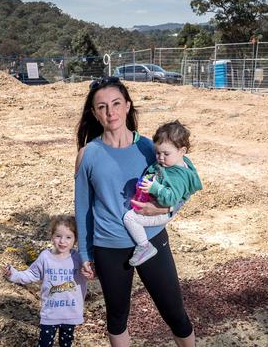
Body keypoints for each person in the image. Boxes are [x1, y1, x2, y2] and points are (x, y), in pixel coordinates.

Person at [74, 76, 195, 347]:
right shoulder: (87, 154)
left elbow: (184, 186)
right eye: (102, 106)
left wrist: (165, 209)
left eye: (116, 103)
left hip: (152, 240)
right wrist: (85, 252)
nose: (110, 111)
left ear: (128, 106)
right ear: (94, 113)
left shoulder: (151, 148)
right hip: (108, 247)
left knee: (175, 313)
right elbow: (83, 207)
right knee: (117, 318)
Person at [123, 120, 202, 266]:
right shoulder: (173, 162)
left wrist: (155, 188)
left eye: (166, 153)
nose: (160, 158)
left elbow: (170, 200)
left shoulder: (177, 177)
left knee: (129, 218)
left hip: (162, 213)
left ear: (182, 151)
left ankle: (144, 246)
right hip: (158, 204)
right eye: (157, 153)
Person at [3, 215, 87, 347]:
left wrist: (92, 271)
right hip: (50, 314)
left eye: (68, 237)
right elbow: (31, 274)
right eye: (58, 236)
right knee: (44, 344)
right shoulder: (45, 257)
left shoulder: (79, 258)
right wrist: (13, 274)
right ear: (52, 237)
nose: (62, 241)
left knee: (66, 343)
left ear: (75, 240)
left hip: (70, 312)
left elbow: (92, 273)